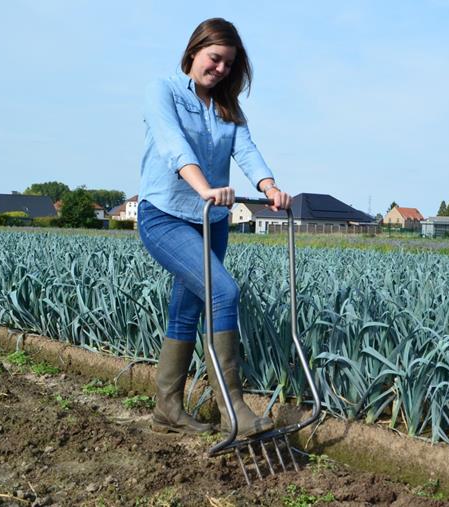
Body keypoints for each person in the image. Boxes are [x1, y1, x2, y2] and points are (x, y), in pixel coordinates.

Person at [137, 18, 291, 436]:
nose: (221, 69)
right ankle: (234, 410)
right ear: (194, 52)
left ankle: (166, 410)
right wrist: (204, 186)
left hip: (212, 222)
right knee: (224, 292)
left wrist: (269, 186)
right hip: (166, 216)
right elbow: (173, 144)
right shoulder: (162, 91)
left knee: (187, 312)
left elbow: (246, 148)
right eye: (215, 58)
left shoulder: (227, 109)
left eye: (229, 64)